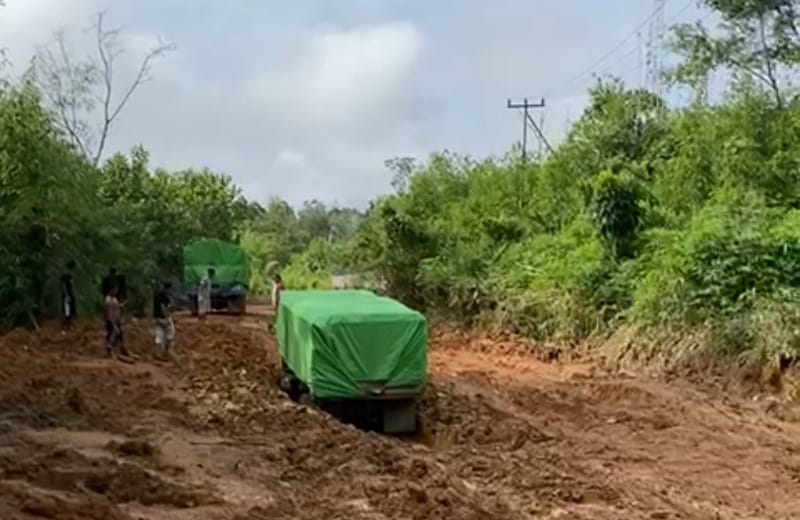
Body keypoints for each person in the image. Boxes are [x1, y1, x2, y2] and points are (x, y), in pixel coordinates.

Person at [104, 284, 130, 359]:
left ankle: (121, 349)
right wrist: (113, 324)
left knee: (119, 335)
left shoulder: (114, 299)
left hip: (116, 319)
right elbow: (109, 313)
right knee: (114, 334)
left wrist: (123, 304)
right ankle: (110, 348)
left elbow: (118, 306)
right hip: (112, 320)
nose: (116, 291)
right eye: (115, 289)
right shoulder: (108, 300)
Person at [153, 281, 175, 358]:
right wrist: (167, 317)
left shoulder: (157, 294)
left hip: (156, 318)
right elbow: (163, 307)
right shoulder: (165, 296)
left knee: (159, 336)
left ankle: (157, 353)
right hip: (164, 318)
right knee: (170, 335)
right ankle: (165, 353)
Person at [60, 260, 77, 331]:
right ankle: (65, 327)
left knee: (71, 310)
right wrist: (67, 295)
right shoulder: (67, 275)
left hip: (70, 294)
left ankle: (70, 326)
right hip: (67, 295)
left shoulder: (68, 274)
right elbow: (63, 285)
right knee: (67, 311)